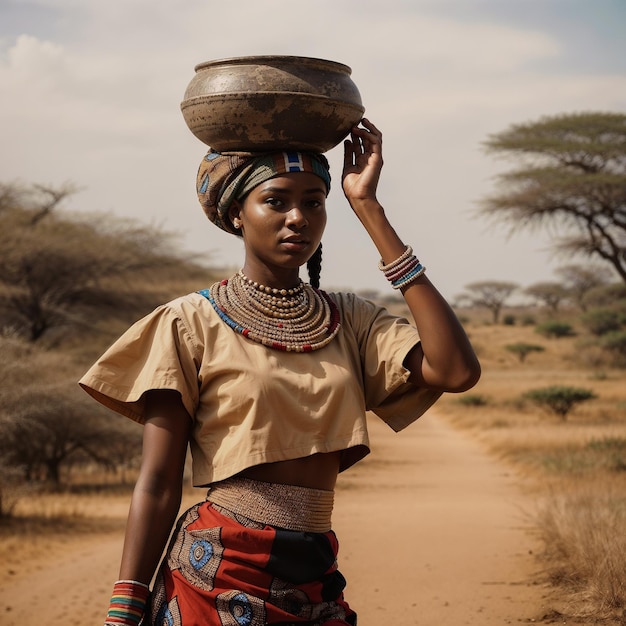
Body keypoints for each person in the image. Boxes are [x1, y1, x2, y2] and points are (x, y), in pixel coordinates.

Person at [80, 118, 480, 626]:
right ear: (237, 215)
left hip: (315, 565)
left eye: (314, 202)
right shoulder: (189, 322)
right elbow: (158, 483)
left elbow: (455, 370)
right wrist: (125, 609)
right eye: (276, 201)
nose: (298, 218)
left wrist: (369, 209)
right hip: (218, 568)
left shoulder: (349, 319)